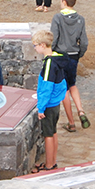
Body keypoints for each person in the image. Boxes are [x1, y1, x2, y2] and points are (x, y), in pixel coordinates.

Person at [50, 0, 90, 131]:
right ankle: (81, 111)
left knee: (63, 89)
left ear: (64, 1)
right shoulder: (80, 19)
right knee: (72, 85)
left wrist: (51, 52)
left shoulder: (58, 18)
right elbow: (84, 42)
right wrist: (80, 54)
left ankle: (71, 123)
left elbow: (53, 38)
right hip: (73, 56)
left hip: (60, 56)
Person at [31, 29, 67, 172]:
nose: (35, 48)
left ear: (42, 45)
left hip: (49, 105)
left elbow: (46, 88)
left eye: (35, 45)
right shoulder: (57, 59)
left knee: (48, 135)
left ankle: (49, 165)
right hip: (56, 102)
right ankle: (52, 160)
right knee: (53, 132)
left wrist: (41, 108)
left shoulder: (48, 65)